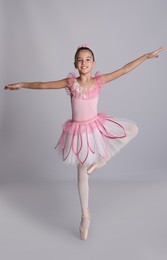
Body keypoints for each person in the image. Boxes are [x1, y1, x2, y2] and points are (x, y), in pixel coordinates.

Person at [4, 45, 164, 240]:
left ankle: (103, 160)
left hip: (96, 126)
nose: (84, 62)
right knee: (82, 174)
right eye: (80, 60)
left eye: (88, 59)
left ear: (93, 63)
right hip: (78, 132)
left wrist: (146, 56)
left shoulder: (99, 81)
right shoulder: (71, 83)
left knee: (132, 129)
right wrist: (21, 84)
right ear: (75, 64)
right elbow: (44, 85)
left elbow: (124, 69)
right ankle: (85, 215)